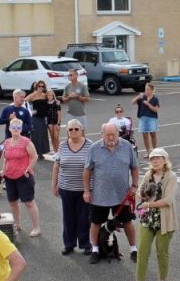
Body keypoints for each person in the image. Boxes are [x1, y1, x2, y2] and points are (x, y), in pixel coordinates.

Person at [84, 123, 140, 263]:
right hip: (99, 196)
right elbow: (87, 171)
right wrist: (86, 190)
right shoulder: (94, 148)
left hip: (122, 195)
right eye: (108, 134)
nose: (111, 137)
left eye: (114, 134)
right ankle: (95, 250)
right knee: (96, 223)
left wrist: (134, 185)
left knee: (127, 222)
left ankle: (133, 249)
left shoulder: (127, 146)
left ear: (118, 133)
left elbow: (134, 167)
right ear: (102, 134)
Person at [126, 148, 177, 281]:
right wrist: (141, 195)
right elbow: (139, 192)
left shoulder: (171, 176)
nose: (154, 161)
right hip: (147, 220)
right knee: (142, 251)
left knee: (162, 252)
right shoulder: (148, 175)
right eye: (152, 159)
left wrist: (147, 204)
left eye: (158, 158)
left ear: (165, 160)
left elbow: (168, 200)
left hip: (164, 220)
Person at [52, 118, 93, 255]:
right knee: (68, 218)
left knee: (84, 218)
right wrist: (54, 185)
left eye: (76, 129)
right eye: (70, 129)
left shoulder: (90, 146)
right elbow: (56, 166)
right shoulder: (63, 145)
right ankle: (69, 244)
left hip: (84, 189)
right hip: (66, 188)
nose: (74, 131)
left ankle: (85, 243)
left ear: (82, 130)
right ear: (67, 131)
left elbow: (95, 168)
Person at [0, 119, 41, 237]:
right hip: (9, 176)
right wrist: (3, 170)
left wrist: (28, 169)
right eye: (13, 127)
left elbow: (34, 156)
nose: (16, 129)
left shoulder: (26, 141)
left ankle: (36, 227)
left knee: (29, 202)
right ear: (9, 128)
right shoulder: (6, 142)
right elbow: (6, 158)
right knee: (12, 202)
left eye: (18, 128)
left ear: (21, 129)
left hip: (23, 176)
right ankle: (17, 224)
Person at [132, 83, 160, 157]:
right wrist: (138, 97)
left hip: (152, 118)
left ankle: (155, 151)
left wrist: (148, 104)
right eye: (145, 89)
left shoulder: (155, 99)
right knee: (144, 135)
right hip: (142, 118)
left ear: (152, 90)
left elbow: (156, 110)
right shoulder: (142, 97)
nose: (146, 91)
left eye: (148, 89)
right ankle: (148, 152)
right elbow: (133, 102)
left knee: (153, 134)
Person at [24, 81, 51, 157]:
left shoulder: (45, 95)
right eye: (39, 86)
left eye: (42, 86)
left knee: (43, 135)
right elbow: (24, 102)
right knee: (35, 135)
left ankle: (41, 153)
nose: (41, 88)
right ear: (36, 87)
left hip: (43, 118)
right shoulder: (33, 95)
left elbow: (51, 100)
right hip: (35, 118)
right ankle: (34, 152)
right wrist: (30, 111)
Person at [43, 88, 61, 153]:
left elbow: (59, 113)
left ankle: (59, 151)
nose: (50, 97)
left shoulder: (57, 103)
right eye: (48, 95)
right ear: (46, 96)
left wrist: (58, 123)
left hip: (56, 121)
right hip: (49, 122)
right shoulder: (45, 103)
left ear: (53, 96)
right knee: (52, 137)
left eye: (51, 95)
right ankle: (55, 151)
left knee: (56, 137)